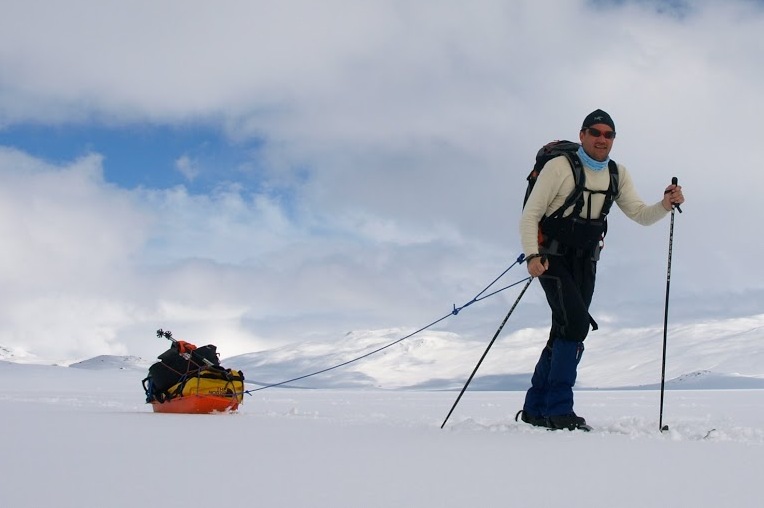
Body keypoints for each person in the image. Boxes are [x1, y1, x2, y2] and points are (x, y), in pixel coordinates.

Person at [516, 109, 685, 430]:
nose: (601, 139)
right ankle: (559, 411)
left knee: (564, 328)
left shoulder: (617, 173)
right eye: (595, 132)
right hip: (550, 258)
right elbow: (530, 214)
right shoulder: (558, 168)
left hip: (587, 260)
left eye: (608, 134)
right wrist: (531, 255)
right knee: (576, 325)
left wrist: (665, 204)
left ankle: (535, 409)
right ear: (582, 135)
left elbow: (639, 214)